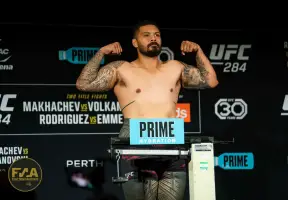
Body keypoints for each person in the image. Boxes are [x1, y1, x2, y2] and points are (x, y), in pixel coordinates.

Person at [76, 20, 218, 200]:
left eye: (157, 35)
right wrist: (101, 53)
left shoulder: (175, 68)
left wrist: (198, 51)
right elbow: (84, 84)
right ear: (135, 43)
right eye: (147, 35)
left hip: (170, 141)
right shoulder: (122, 69)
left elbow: (211, 81)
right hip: (134, 141)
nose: (153, 38)